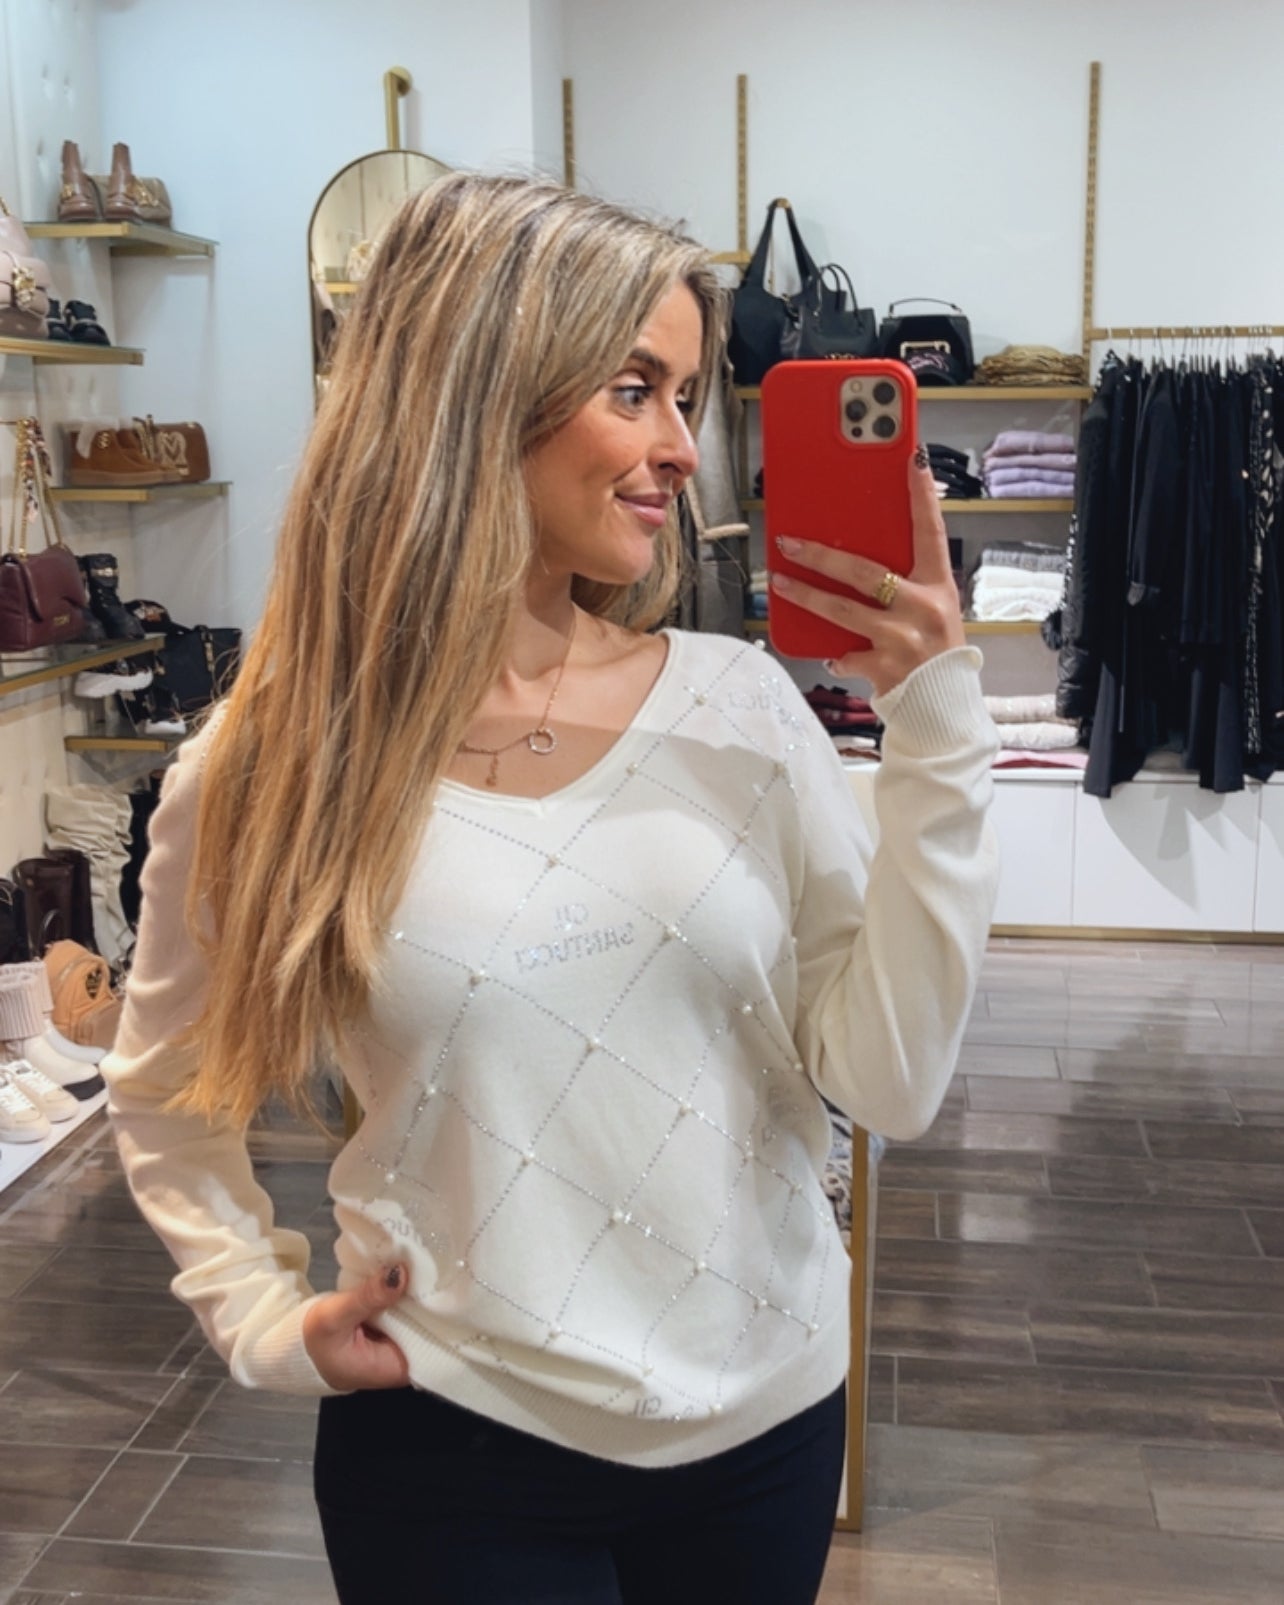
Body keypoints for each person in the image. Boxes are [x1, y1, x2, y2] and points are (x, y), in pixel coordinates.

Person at [103, 173, 999, 1605]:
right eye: (633, 390)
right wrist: (259, 1315)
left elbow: (887, 1084)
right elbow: (161, 1090)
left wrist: (939, 737)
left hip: (765, 1431)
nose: (681, 450)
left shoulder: (740, 709)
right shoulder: (274, 765)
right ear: (476, 390)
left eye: (686, 399)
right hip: (454, 1446)